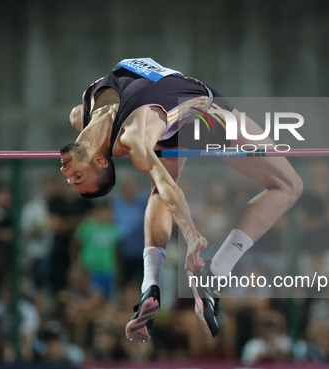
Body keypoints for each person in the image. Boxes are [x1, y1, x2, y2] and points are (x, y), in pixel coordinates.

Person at [60, 58, 303, 342]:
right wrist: (189, 232)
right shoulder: (134, 138)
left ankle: (150, 286)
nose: (67, 175)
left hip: (173, 116)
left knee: (161, 185)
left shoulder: (81, 114)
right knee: (289, 186)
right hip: (204, 113)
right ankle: (214, 273)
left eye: (72, 179)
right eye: (78, 178)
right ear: (101, 161)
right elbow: (166, 187)